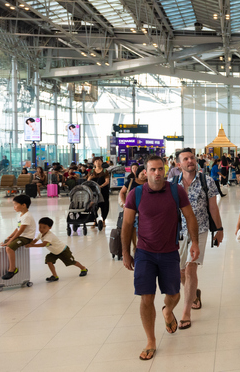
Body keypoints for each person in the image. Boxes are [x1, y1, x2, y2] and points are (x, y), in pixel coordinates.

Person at [121, 155, 199, 361]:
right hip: (144, 253)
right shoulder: (135, 194)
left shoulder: (176, 191)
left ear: (165, 170)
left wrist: (195, 243)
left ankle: (168, 311)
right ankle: (150, 340)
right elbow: (127, 225)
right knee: (146, 297)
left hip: (169, 252)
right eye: (152, 170)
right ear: (145, 172)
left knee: (174, 295)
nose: (157, 173)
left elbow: (190, 216)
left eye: (160, 169)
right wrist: (125, 253)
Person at [173, 148, 224, 330]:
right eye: (185, 159)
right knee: (179, 271)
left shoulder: (207, 181)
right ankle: (193, 295)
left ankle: (186, 312)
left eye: (192, 158)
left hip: (200, 230)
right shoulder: (172, 184)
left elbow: (213, 208)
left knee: (190, 269)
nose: (190, 161)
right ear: (178, 164)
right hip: (178, 232)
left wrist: (219, 229)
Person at [29, 217, 88, 281]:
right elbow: (35, 240)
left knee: (71, 262)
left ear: (50, 228)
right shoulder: (40, 234)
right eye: (40, 227)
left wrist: (32, 245)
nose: (41, 229)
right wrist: (29, 243)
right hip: (55, 252)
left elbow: (44, 244)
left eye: (44, 227)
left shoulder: (49, 235)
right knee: (49, 260)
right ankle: (55, 276)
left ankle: (83, 268)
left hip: (63, 250)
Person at [1, 194, 34, 279]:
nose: (14, 207)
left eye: (15, 205)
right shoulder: (20, 215)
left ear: (23, 205)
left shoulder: (27, 216)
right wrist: (9, 237)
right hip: (21, 236)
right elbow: (17, 228)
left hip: (27, 238)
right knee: (5, 242)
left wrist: (10, 241)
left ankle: (12, 269)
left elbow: (21, 231)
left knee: (9, 247)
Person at [87, 157, 111, 227]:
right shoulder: (92, 171)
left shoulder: (104, 171)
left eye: (99, 161)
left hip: (103, 191)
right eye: (96, 161)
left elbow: (107, 181)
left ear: (102, 162)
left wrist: (100, 186)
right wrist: (91, 177)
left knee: (105, 205)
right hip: (94, 192)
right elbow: (88, 181)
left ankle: (103, 221)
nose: (98, 162)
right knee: (94, 206)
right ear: (94, 163)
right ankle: (95, 221)